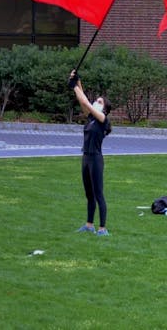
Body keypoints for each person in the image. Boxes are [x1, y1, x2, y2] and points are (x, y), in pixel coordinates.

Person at [69, 69, 112, 237]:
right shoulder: (91, 119)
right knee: (89, 194)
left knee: (98, 194)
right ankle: (89, 225)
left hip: (95, 159)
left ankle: (102, 228)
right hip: (85, 158)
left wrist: (74, 87)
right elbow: (84, 103)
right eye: (97, 100)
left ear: (105, 109)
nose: (96, 102)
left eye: (100, 102)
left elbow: (86, 103)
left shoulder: (102, 120)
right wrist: (77, 81)